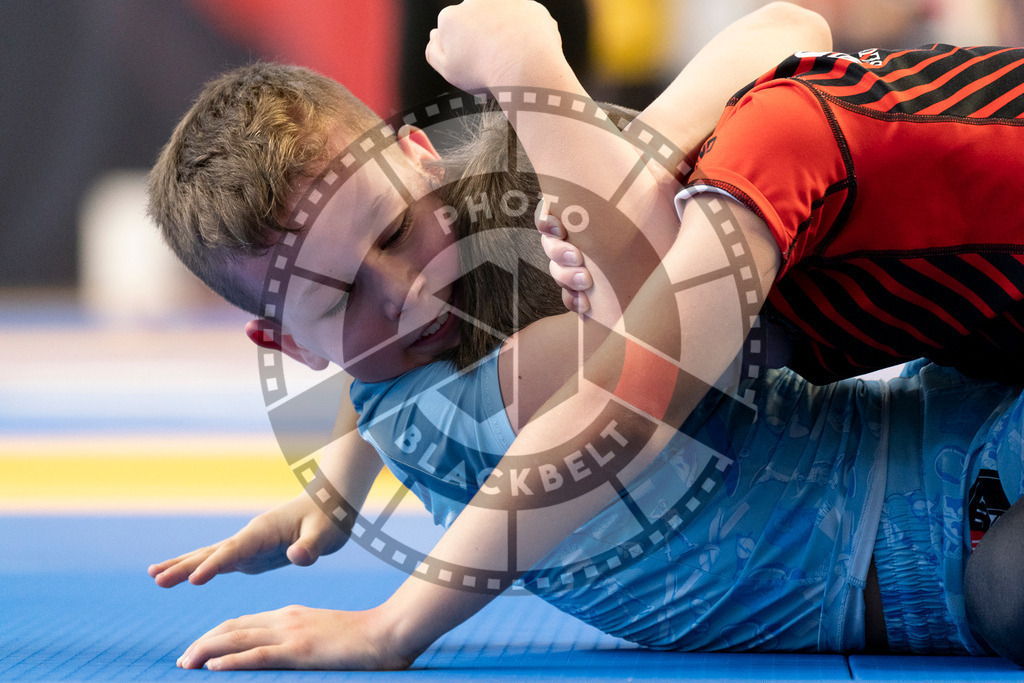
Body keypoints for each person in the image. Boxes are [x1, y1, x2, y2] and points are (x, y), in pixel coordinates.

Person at [144, 0, 1024, 670]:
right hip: (945, 483)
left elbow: (614, 403)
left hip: (953, 499)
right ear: (289, 345)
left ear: (423, 158)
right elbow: (379, 390)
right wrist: (333, 494)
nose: (411, 294)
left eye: (394, 234)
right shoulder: (419, 345)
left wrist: (392, 624)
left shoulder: (547, 284)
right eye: (340, 301)